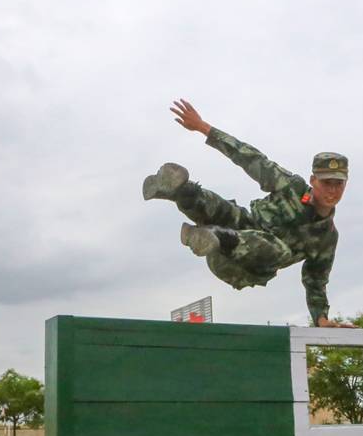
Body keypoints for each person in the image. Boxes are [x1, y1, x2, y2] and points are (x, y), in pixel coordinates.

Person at [144, 99, 350, 328]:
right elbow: (251, 159)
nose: (332, 190)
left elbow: (316, 281)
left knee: (279, 249)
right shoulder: (291, 186)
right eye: (326, 183)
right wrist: (203, 127)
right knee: (226, 210)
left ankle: (214, 236)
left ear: (345, 185)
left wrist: (321, 319)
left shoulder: (326, 237)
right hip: (238, 228)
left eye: (338, 185)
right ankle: (180, 191)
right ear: (314, 180)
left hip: (242, 266)